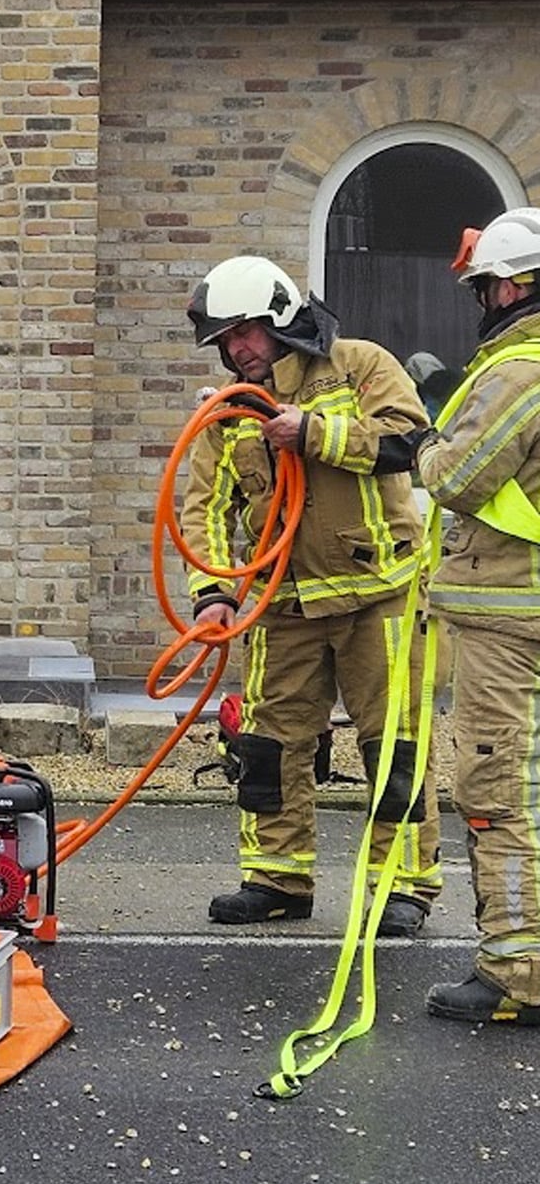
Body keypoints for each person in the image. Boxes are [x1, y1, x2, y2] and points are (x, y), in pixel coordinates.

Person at [180, 255, 441, 935]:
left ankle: (402, 886)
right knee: (268, 745)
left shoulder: (359, 366)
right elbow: (203, 508)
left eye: (245, 332)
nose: (236, 350)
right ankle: (277, 879)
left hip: (377, 596)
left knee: (394, 747)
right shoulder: (228, 409)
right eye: (225, 340)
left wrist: (315, 433)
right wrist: (213, 592)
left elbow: (411, 442)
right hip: (282, 607)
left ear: (280, 318)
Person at [415, 208, 540, 1024]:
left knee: (495, 793)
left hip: (509, 614)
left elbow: (456, 476)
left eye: (482, 287)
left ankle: (517, 978)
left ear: (508, 285)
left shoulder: (519, 372)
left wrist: (428, 434)